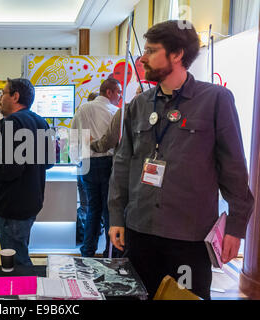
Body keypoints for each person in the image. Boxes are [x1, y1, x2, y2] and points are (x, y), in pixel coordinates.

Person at [109, 20, 254, 299]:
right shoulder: (139, 105)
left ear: (176, 55)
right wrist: (117, 216)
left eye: (151, 50)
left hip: (188, 237)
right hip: (140, 231)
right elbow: (123, 162)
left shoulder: (215, 100)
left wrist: (235, 228)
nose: (143, 58)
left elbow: (234, 169)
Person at [0, 78, 55, 266]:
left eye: (3, 93)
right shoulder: (40, 121)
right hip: (32, 200)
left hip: (13, 204)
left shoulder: (11, 123)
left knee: (16, 261)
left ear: (15, 96)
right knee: (20, 250)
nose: (0, 98)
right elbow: (49, 162)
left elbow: (9, 170)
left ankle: (23, 293)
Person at [70, 78, 122, 258]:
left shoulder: (82, 109)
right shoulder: (115, 112)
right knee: (109, 210)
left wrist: (78, 158)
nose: (120, 97)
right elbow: (117, 142)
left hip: (87, 164)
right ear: (110, 92)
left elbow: (74, 137)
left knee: (92, 208)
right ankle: (111, 252)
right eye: (118, 92)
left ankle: (87, 251)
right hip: (107, 163)